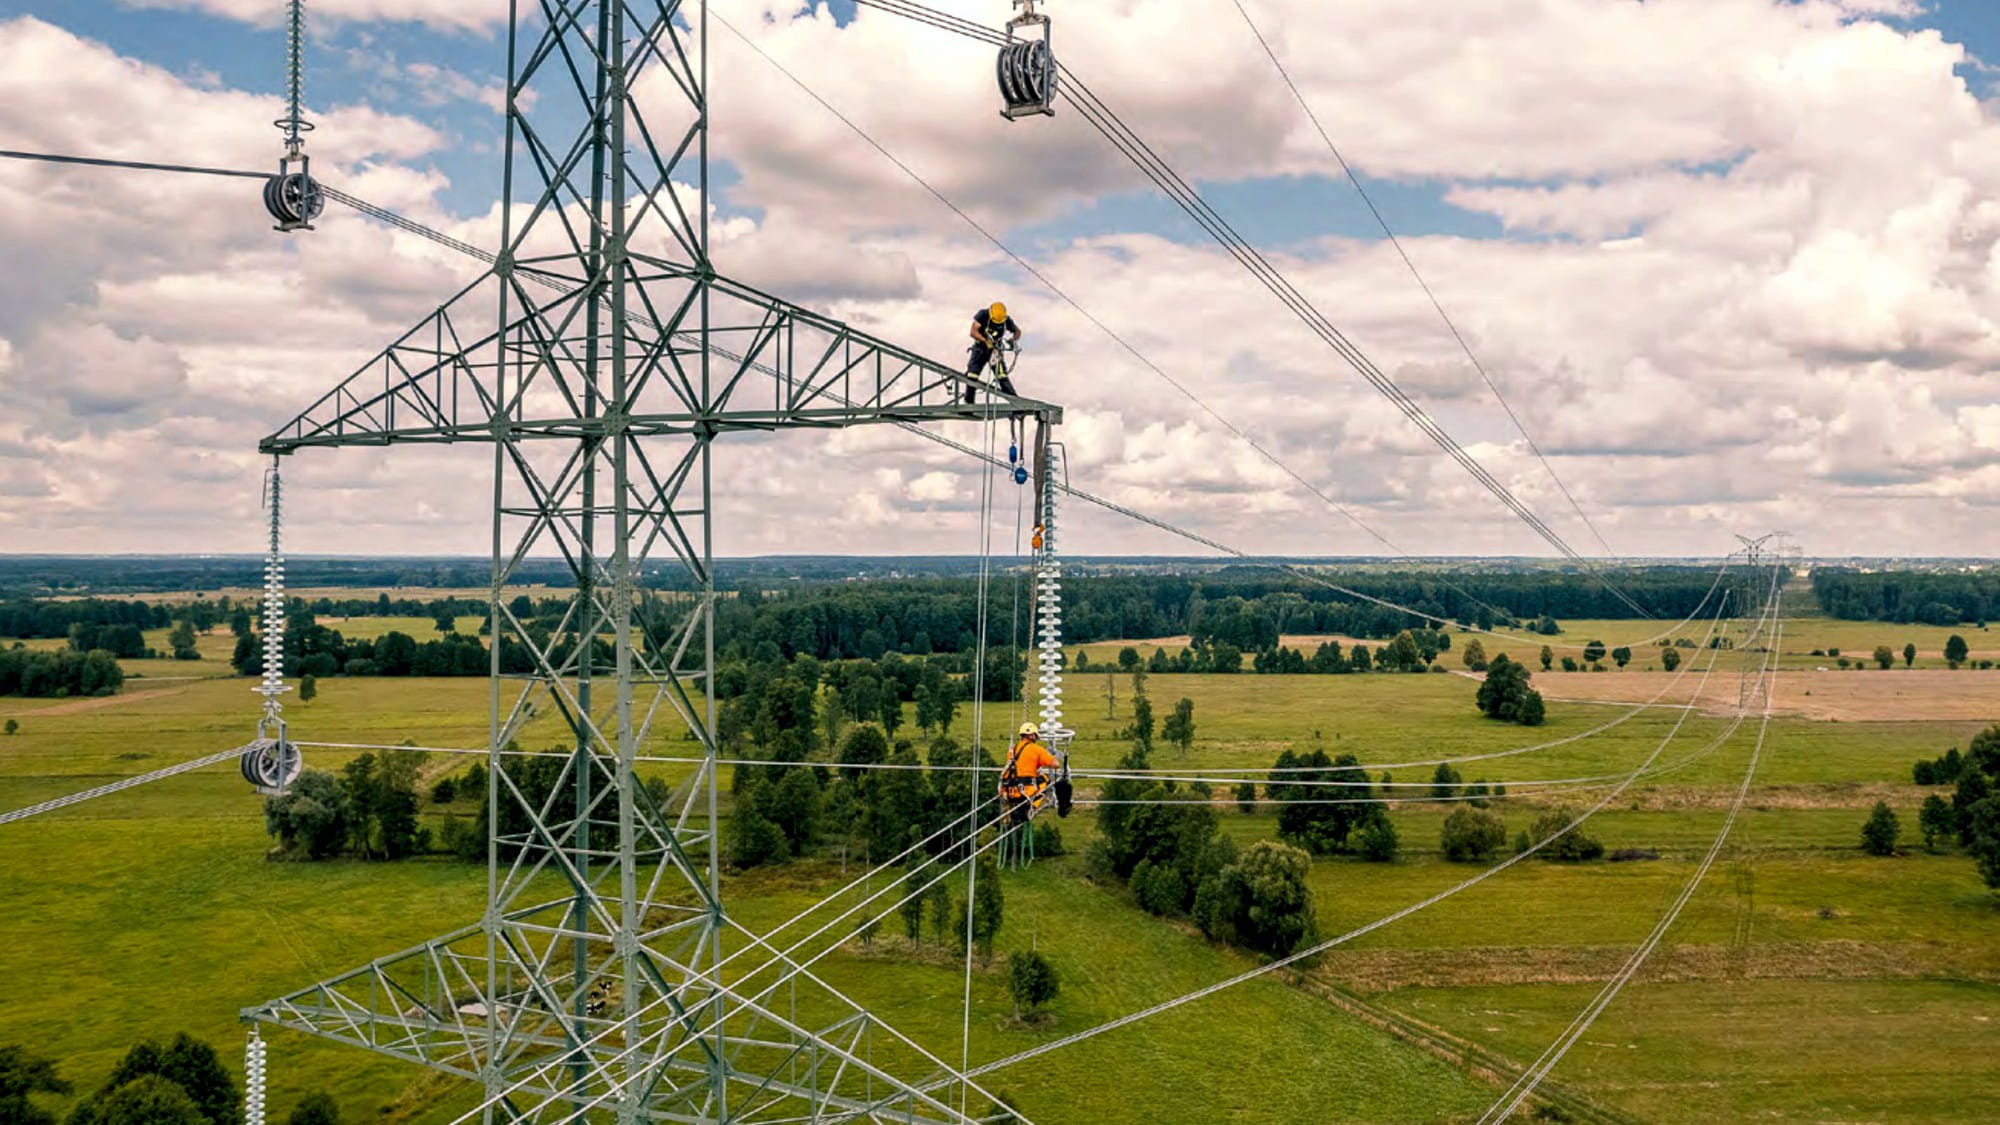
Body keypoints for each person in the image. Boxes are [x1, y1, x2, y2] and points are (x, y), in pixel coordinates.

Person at [999, 721, 1061, 824]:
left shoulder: (1013, 750)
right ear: (1032, 735)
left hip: (1011, 791)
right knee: (1046, 779)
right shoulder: (1036, 749)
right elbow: (1055, 764)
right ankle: (1032, 806)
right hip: (1027, 792)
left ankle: (1019, 810)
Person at [964, 301, 1023, 402]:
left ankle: (1015, 404)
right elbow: (973, 332)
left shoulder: (1006, 320)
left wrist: (1013, 340)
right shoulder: (983, 315)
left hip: (995, 350)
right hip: (980, 349)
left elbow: (1017, 331)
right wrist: (985, 341)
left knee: (1001, 375)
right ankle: (969, 403)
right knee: (972, 375)